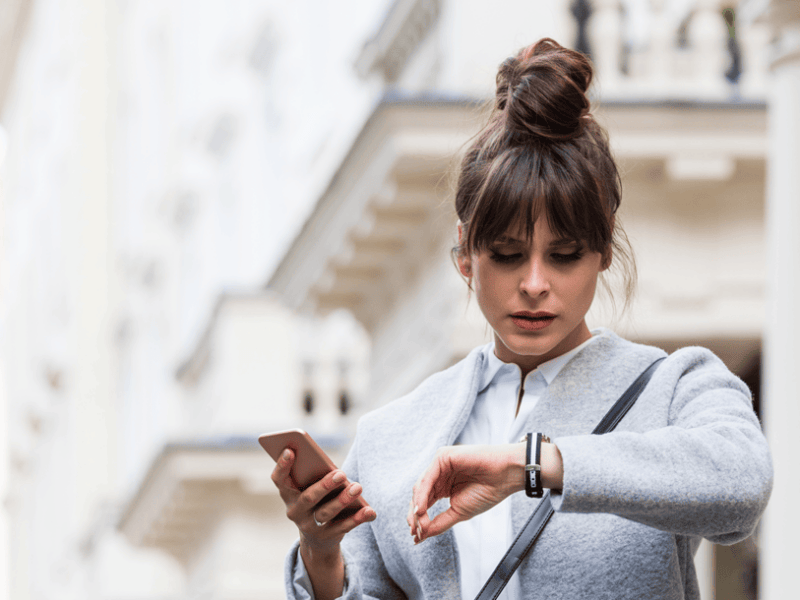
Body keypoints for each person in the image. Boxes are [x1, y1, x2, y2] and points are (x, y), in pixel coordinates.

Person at [271, 38, 773, 600]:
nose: (534, 284)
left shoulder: (673, 388)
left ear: (604, 249)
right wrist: (320, 554)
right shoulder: (393, 435)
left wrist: (532, 466)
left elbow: (742, 481)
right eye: (507, 255)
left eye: (564, 256)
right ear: (465, 252)